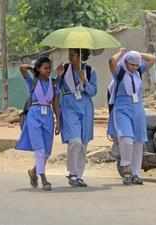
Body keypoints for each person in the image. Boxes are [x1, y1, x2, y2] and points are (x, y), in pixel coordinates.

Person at [107, 48, 156, 185]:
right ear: (126, 62)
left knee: (138, 142)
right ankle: (125, 166)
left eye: (136, 65)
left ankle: (135, 174)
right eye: (132, 64)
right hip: (122, 108)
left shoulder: (138, 72)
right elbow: (111, 61)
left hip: (138, 109)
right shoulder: (120, 73)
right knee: (126, 138)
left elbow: (152, 59)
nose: (134, 67)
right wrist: (121, 52)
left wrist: (139, 54)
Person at [15, 56, 60, 191]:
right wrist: (32, 68)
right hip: (34, 115)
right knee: (39, 149)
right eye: (45, 68)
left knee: (46, 151)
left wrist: (58, 121)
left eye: (49, 68)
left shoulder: (53, 84)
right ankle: (43, 178)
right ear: (39, 69)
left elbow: (56, 103)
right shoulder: (33, 82)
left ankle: (34, 171)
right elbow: (22, 69)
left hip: (48, 117)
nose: (48, 71)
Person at [55, 48, 98, 187]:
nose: (70, 58)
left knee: (83, 143)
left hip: (85, 108)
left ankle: (79, 175)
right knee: (75, 141)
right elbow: (56, 90)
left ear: (81, 56)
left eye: (73, 55)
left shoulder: (90, 71)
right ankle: (72, 172)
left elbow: (93, 91)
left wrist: (84, 81)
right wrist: (59, 76)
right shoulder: (64, 69)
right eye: (69, 55)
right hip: (69, 107)